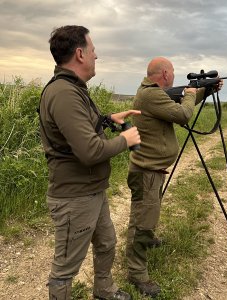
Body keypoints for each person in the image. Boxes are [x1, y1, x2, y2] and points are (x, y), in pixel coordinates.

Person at [39, 25, 141, 300]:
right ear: (81, 54)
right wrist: (127, 140)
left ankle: (104, 290)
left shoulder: (74, 89)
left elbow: (82, 128)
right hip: (75, 197)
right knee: (65, 267)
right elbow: (90, 152)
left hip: (92, 190)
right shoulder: (64, 93)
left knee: (106, 243)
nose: (97, 56)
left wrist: (109, 119)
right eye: (94, 51)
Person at [125, 57, 223, 298]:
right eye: (174, 72)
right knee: (142, 221)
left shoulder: (152, 93)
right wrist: (192, 94)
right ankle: (137, 273)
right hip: (146, 172)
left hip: (151, 171)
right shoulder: (151, 95)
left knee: (147, 213)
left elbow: (178, 103)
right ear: (166, 73)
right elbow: (182, 114)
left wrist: (205, 91)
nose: (175, 76)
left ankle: (147, 239)